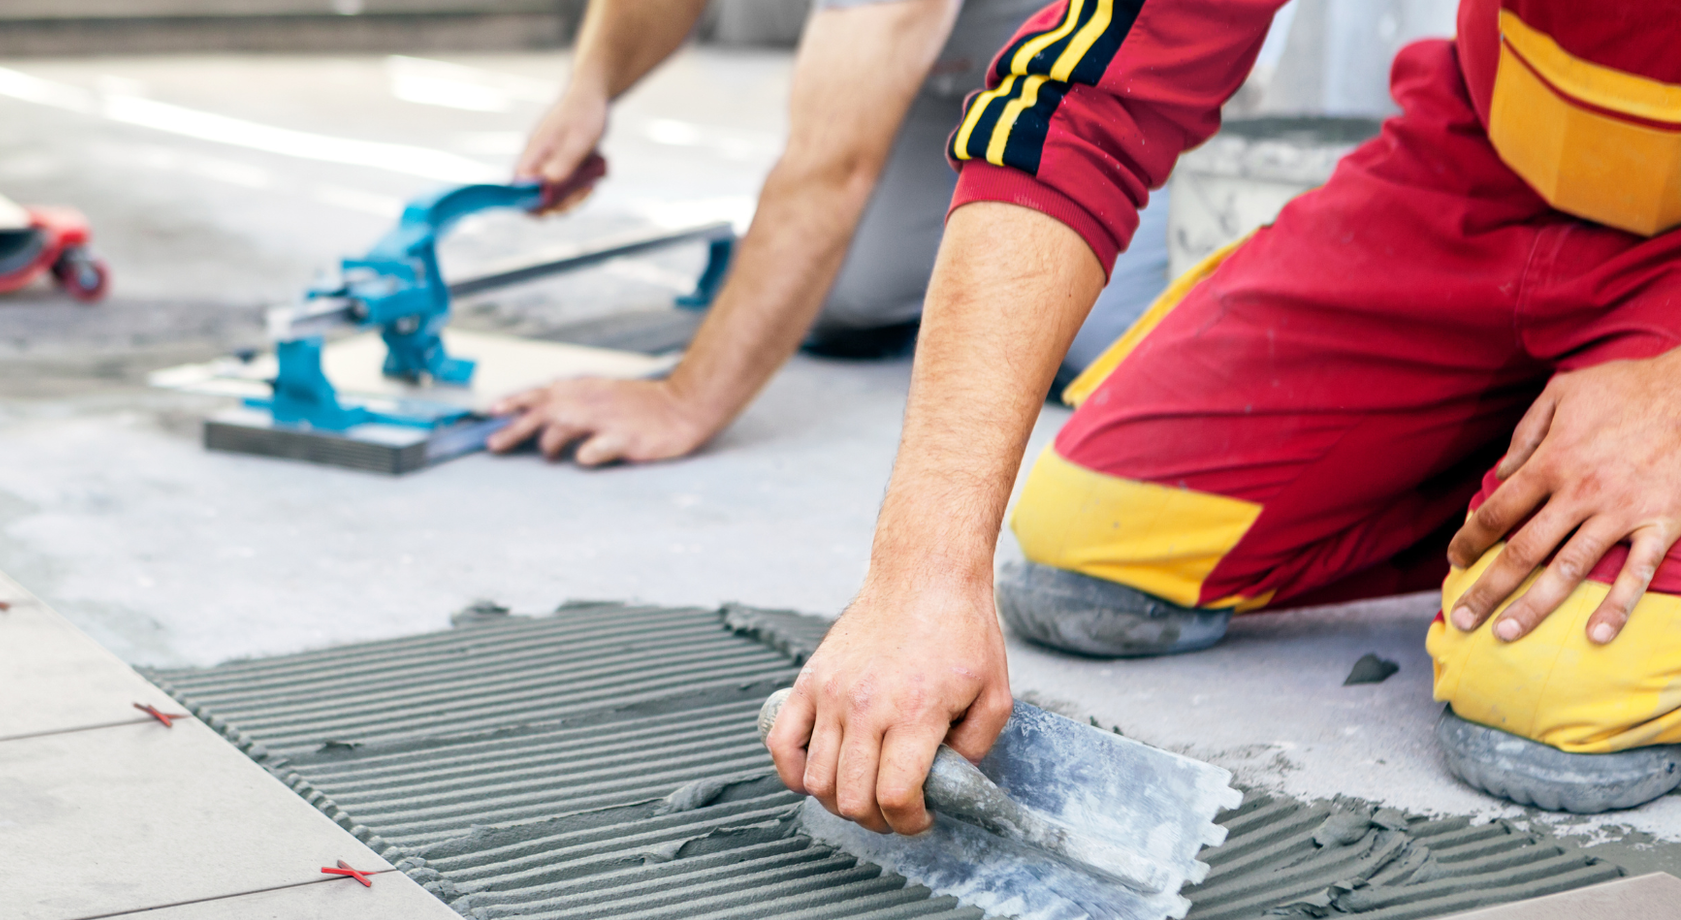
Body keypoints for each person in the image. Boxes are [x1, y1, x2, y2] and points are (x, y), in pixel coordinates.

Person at [766, 0, 1681, 824]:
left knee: (1553, 696)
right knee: (1094, 532)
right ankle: (1529, 451)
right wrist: (920, 575)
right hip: (1500, 165)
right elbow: (1083, 98)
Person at [485, 0, 1166, 464]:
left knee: (1098, 338)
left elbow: (832, 167)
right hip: (964, 69)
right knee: (843, 296)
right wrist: (591, 88)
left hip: (1125, 71)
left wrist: (683, 401)